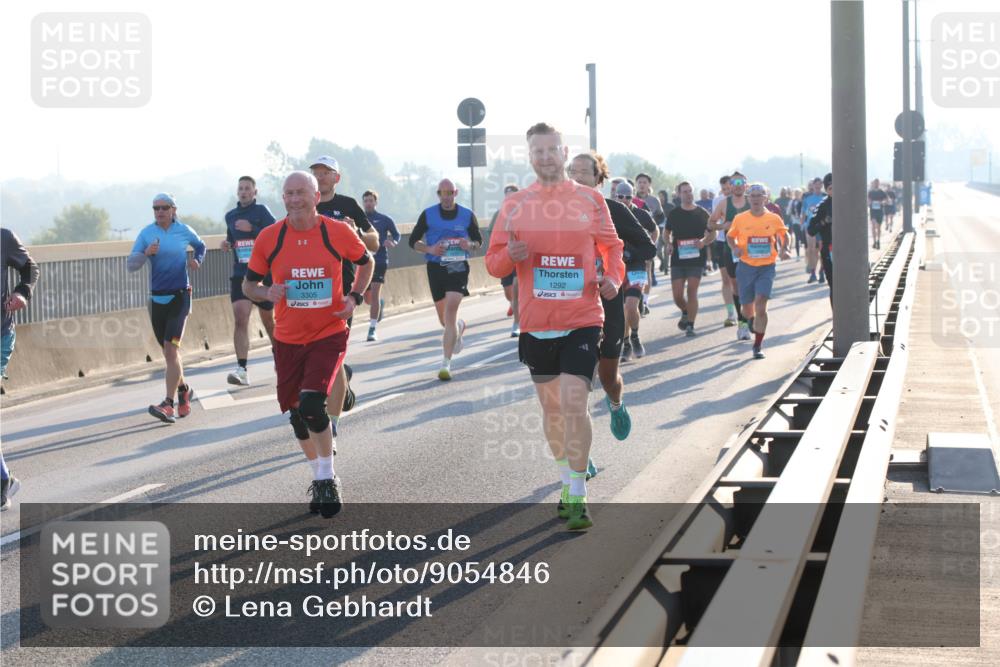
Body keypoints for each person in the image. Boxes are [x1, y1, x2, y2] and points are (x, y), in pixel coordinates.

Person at [486, 122, 624, 531]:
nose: (546, 157)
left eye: (552, 150)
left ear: (564, 153)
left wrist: (613, 278)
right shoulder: (515, 206)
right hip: (536, 322)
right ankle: (566, 481)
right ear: (530, 157)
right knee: (551, 409)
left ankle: (579, 495)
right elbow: (494, 263)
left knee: (574, 401)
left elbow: (612, 246)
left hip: (582, 316)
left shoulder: (590, 200)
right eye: (538, 151)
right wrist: (510, 255)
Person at [243, 171, 373, 518]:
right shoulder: (270, 238)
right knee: (298, 415)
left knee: (314, 403)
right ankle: (320, 476)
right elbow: (249, 285)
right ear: (282, 198)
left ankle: (328, 478)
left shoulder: (337, 231)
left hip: (328, 331)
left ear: (316, 197)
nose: (294, 199)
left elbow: (366, 262)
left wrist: (355, 297)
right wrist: (265, 292)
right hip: (287, 338)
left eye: (301, 192)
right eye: (288, 194)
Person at [569, 152, 655, 442]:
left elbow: (647, 248)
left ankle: (616, 404)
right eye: (573, 172)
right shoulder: (556, 212)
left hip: (608, 302)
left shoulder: (614, 210)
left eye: (584, 172)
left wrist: (614, 267)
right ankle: (581, 453)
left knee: (608, 378)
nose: (578, 177)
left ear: (598, 179)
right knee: (578, 382)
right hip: (572, 307)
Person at [310, 156, 379, 431]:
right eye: (316, 172)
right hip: (309, 290)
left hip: (342, 290)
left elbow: (373, 241)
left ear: (336, 178)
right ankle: (344, 389)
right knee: (318, 356)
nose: (320, 176)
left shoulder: (348, 205)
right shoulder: (304, 205)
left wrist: (356, 235)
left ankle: (333, 423)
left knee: (332, 354)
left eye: (325, 172)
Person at [127, 194, 206, 423]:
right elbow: (131, 265)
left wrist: (197, 260)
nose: (159, 212)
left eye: (164, 208)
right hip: (156, 299)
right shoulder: (146, 234)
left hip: (180, 296)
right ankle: (183, 390)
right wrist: (145, 254)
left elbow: (200, 246)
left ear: (173, 209)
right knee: (168, 353)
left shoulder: (184, 230)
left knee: (171, 351)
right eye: (155, 208)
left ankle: (168, 404)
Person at [409, 178, 483, 381]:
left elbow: (478, 241)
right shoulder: (428, 214)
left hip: (457, 266)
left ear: (456, 193)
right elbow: (412, 241)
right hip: (435, 267)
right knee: (445, 320)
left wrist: (469, 244)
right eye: (443, 193)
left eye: (450, 193)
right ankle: (458, 327)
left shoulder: (467, 215)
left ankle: (445, 364)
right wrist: (430, 248)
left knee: (450, 311)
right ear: (438, 194)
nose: (447, 197)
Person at [221, 176, 277, 386]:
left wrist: (252, 229)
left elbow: (274, 236)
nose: (243, 191)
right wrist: (227, 243)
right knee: (240, 318)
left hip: (263, 275)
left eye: (247, 188)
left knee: (269, 322)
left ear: (255, 192)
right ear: (238, 192)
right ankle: (242, 369)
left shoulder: (262, 212)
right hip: (240, 274)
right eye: (241, 188)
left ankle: (280, 356)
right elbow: (232, 239)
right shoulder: (230, 216)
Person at [727, 183, 791, 359]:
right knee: (747, 309)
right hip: (746, 267)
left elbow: (785, 234)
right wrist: (735, 248)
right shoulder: (740, 218)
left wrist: (785, 248)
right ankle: (751, 321)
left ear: (765, 198)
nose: (755, 198)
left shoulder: (774, 218)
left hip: (766, 266)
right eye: (752, 195)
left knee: (761, 302)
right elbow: (730, 236)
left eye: (759, 195)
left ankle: (757, 345)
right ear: (748, 198)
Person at [1, 227, 38, 511]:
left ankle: (2, 482)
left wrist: (22, 292)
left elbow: (29, 268)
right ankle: (3, 479)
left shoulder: (3, 237)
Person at [614, 182, 658, 360]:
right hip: (617, 265)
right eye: (620, 197)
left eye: (628, 197)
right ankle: (626, 343)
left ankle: (635, 336)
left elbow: (654, 231)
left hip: (637, 264)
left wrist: (649, 250)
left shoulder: (642, 214)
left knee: (630, 306)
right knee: (622, 309)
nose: (624, 200)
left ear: (633, 198)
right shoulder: (610, 213)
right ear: (615, 196)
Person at [666, 182, 715, 336]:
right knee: (678, 295)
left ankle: (690, 325)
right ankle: (686, 310)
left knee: (692, 291)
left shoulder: (702, 213)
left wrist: (703, 242)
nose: (688, 194)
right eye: (685, 191)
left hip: (696, 257)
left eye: (690, 191)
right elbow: (666, 233)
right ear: (679, 194)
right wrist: (668, 244)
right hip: (678, 258)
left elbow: (712, 233)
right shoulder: (674, 214)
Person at [709, 172, 751, 337]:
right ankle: (742, 321)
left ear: (746, 184)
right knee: (736, 286)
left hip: (752, 249)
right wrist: (723, 225)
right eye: (734, 182)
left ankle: (749, 318)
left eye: (741, 181)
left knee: (751, 285)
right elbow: (711, 223)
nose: (738, 184)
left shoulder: (753, 201)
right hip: (731, 250)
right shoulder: (724, 204)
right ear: (730, 185)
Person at [361, 189, 400, 342]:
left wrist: (393, 242)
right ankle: (379, 305)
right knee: (367, 297)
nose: (368, 203)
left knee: (375, 294)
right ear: (363, 203)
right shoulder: (359, 219)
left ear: (376, 202)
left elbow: (396, 234)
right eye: (366, 201)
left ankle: (372, 329)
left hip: (380, 260)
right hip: (363, 261)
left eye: (371, 200)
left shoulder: (384, 219)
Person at [488, 184, 522, 337]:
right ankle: (513, 304)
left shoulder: (526, 213)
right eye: (507, 196)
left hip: (520, 258)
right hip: (504, 256)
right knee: (509, 293)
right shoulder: (499, 214)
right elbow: (491, 234)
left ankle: (517, 323)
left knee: (516, 287)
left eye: (513, 196)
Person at [711, 175, 737, 325]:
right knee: (726, 279)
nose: (726, 191)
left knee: (738, 280)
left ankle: (745, 310)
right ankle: (730, 313)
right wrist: (722, 226)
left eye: (729, 188)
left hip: (739, 243)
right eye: (724, 189)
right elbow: (715, 221)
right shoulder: (718, 200)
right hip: (722, 242)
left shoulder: (741, 200)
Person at [809, 173, 834, 305]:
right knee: (834, 286)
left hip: (849, 250)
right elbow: (811, 230)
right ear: (826, 190)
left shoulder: (850, 202)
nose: (835, 191)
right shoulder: (822, 206)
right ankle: (837, 321)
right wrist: (824, 222)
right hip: (830, 250)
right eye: (831, 188)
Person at [802, 177, 827, 284]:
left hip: (822, 227)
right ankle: (813, 273)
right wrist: (803, 225)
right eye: (815, 184)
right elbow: (803, 213)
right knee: (812, 250)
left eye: (819, 184)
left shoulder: (825, 198)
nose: (817, 186)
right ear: (813, 185)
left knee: (821, 251)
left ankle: (821, 271)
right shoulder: (807, 198)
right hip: (810, 227)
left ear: (821, 185)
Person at [868, 178, 887, 250]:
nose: (876, 184)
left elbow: (886, 199)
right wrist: (870, 202)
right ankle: (874, 241)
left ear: (879, 184)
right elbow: (868, 200)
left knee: (878, 227)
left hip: (880, 211)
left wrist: (882, 202)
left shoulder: (881, 192)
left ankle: (878, 241)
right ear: (873, 184)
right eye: (875, 183)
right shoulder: (871, 192)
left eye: (877, 183)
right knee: (873, 225)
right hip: (873, 211)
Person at [787, 188, 805, 258]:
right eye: (796, 193)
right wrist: (793, 214)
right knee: (797, 238)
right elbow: (788, 212)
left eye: (799, 193)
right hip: (795, 222)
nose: (797, 195)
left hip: (803, 222)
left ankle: (805, 251)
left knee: (803, 238)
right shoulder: (792, 202)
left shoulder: (803, 201)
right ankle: (798, 255)